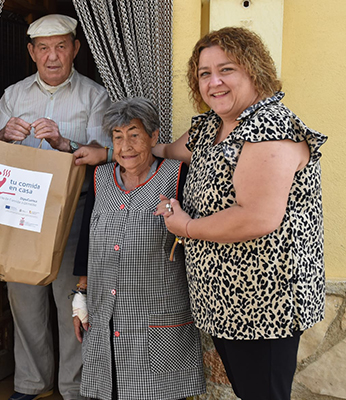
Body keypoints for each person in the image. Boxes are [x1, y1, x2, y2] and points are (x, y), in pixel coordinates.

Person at [153, 27, 327, 400]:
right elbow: (167, 151)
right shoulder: (212, 126)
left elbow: (257, 217)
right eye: (204, 73)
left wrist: (185, 226)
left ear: (253, 70)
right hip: (225, 301)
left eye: (226, 69)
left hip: (264, 303)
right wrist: (115, 151)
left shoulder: (269, 127)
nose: (213, 82)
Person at [0, 14, 111, 400]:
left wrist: (64, 143)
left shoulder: (94, 95)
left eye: (61, 46)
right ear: (32, 52)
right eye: (43, 48)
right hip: (20, 211)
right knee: (24, 298)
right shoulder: (14, 95)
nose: (52, 56)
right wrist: (4, 134)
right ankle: (31, 383)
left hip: (73, 210)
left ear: (75, 49)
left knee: (72, 299)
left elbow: (107, 154)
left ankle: (75, 388)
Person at [70, 98, 205, 400]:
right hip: (106, 315)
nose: (125, 146)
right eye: (117, 137)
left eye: (134, 135)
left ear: (154, 137)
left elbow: (199, 236)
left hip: (159, 316)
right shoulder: (100, 177)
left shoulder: (178, 175)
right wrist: (80, 296)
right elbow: (87, 240)